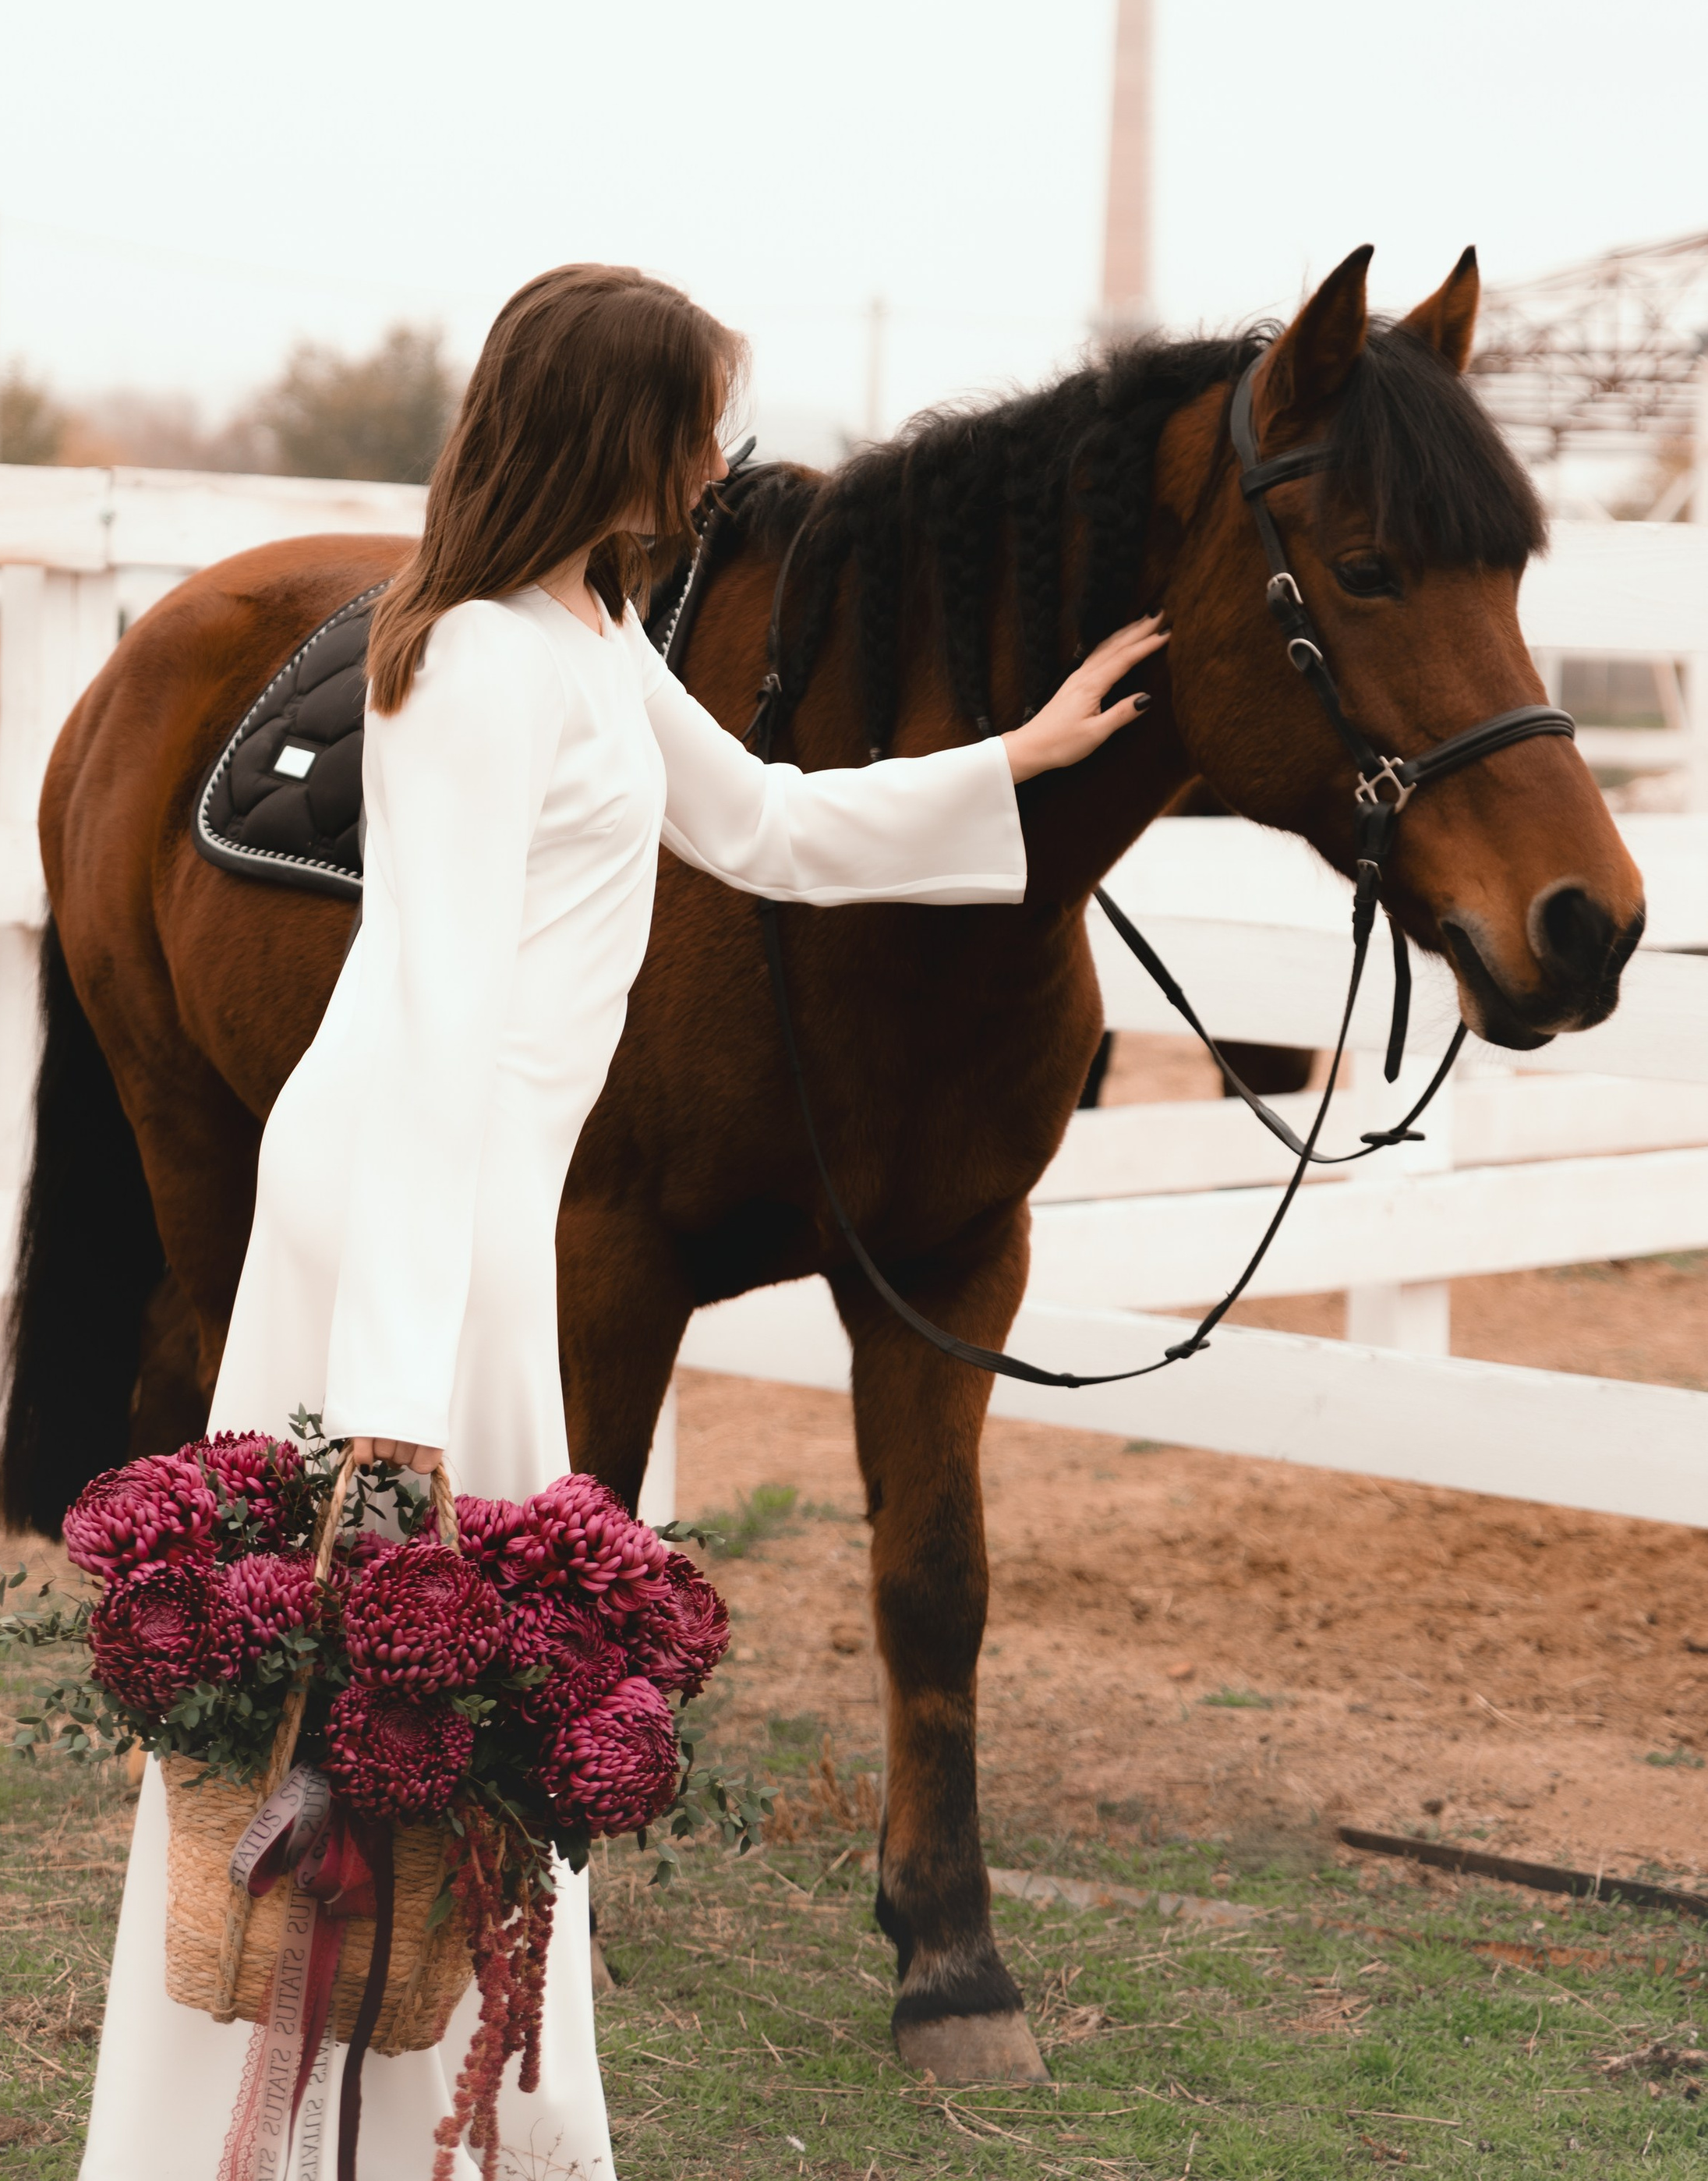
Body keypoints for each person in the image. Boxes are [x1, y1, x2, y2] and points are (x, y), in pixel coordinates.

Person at [81, 264, 1165, 2179]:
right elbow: (432, 1012)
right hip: (427, 1195)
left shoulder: (581, 632)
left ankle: (475, 2109)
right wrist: (399, 1404)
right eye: (699, 418)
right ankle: (343, 2122)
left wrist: (1025, 758)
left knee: (471, 1688)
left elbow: (768, 826)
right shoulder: (489, 664)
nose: (720, 457)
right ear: (617, 433)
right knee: (408, 1670)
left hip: (474, 1191)